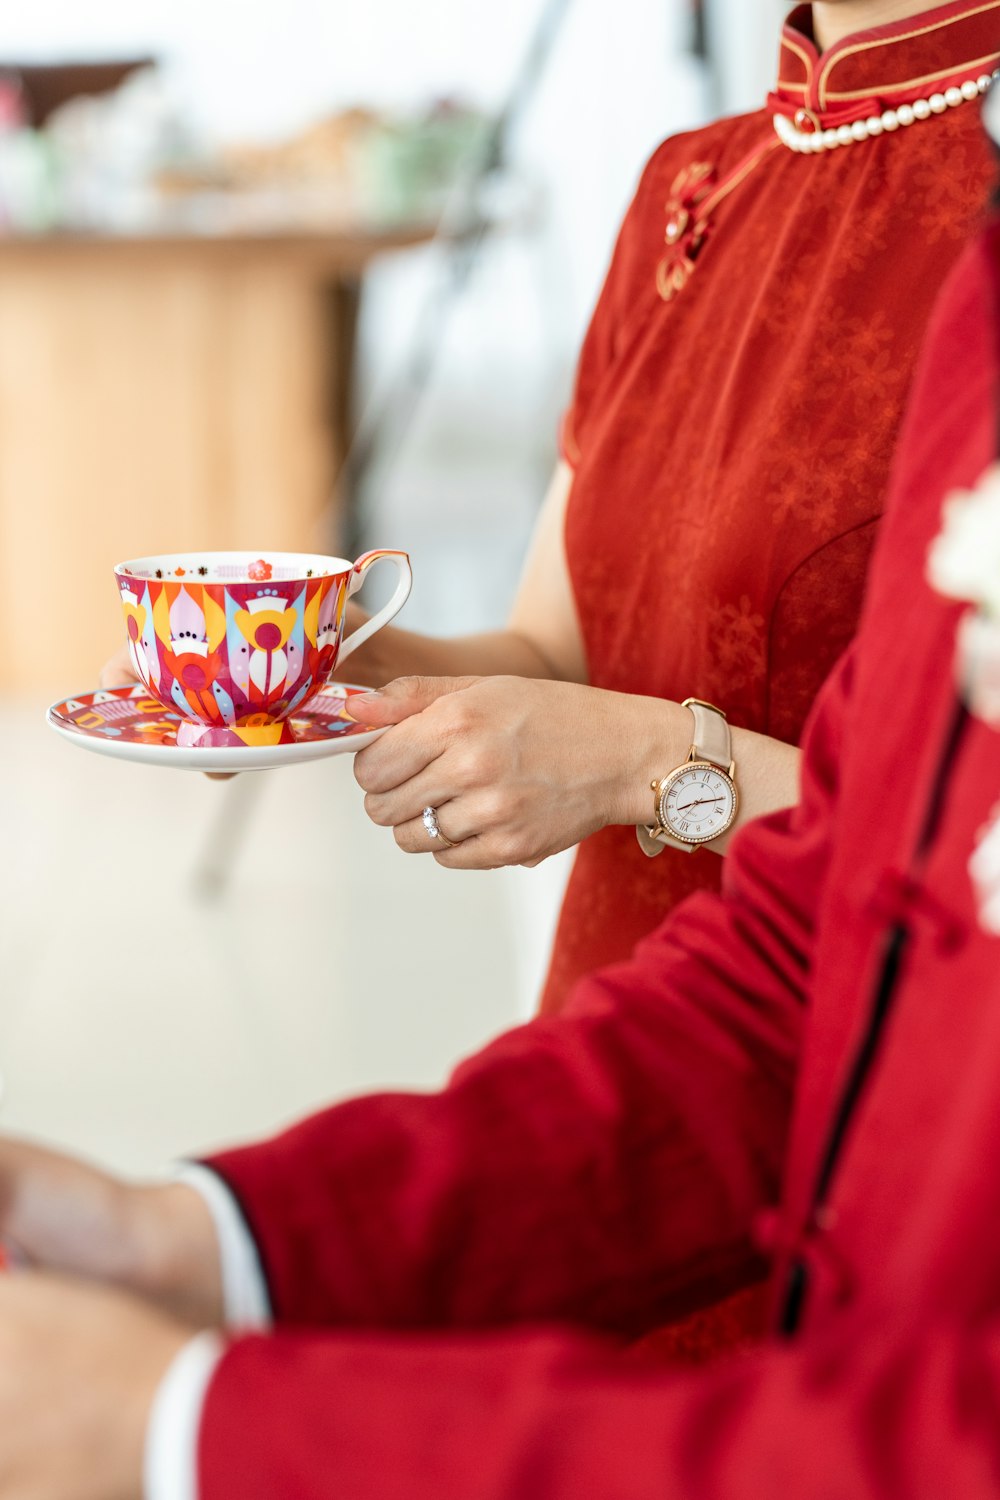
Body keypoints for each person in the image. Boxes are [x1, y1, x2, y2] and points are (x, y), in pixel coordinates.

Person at [15, 184, 1000, 1498]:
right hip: (655, 1126)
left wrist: (182, 1426)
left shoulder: (956, 220)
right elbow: (807, 965)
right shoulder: (720, 195)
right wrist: (187, 1239)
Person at [101, 0, 1000, 1030]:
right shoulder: (692, 182)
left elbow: (979, 841)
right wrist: (320, 675)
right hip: (608, 1035)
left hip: (867, 1053)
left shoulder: (982, 207)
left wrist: (651, 765)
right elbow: (553, 646)